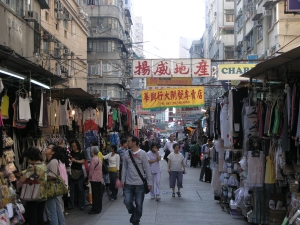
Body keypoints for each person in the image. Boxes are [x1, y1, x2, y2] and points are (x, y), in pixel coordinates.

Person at [121, 135, 152, 225]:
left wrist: (149, 182)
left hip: (140, 184)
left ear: (134, 142)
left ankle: (135, 220)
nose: (127, 143)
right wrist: (123, 180)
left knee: (139, 204)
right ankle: (134, 213)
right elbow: (124, 168)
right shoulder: (126, 153)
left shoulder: (143, 154)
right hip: (128, 183)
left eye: (129, 141)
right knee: (127, 201)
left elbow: (147, 168)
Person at [19, 147, 47, 225]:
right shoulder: (43, 165)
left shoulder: (32, 168)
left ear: (32, 157)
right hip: (43, 195)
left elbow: (22, 180)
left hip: (33, 196)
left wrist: (21, 174)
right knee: (40, 218)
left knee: (32, 220)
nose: (27, 160)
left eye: (28, 158)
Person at [44, 144, 66, 225]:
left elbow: (53, 176)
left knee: (52, 211)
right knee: (57, 210)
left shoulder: (53, 161)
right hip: (53, 189)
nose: (46, 149)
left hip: (52, 189)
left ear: (52, 152)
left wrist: (42, 177)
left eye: (48, 148)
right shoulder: (51, 161)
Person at [68, 140, 86, 211]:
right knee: (71, 189)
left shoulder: (81, 152)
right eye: (72, 146)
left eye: (74, 146)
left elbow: (83, 161)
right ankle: (71, 204)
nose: (73, 148)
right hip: (71, 172)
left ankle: (82, 204)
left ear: (77, 145)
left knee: (80, 189)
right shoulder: (70, 153)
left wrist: (75, 161)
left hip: (79, 172)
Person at [87, 146, 104, 214]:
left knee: (95, 194)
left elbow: (91, 170)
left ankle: (95, 208)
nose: (90, 153)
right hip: (99, 179)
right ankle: (99, 208)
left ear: (93, 152)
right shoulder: (99, 159)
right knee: (99, 194)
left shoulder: (93, 160)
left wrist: (89, 178)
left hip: (94, 179)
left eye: (91, 151)